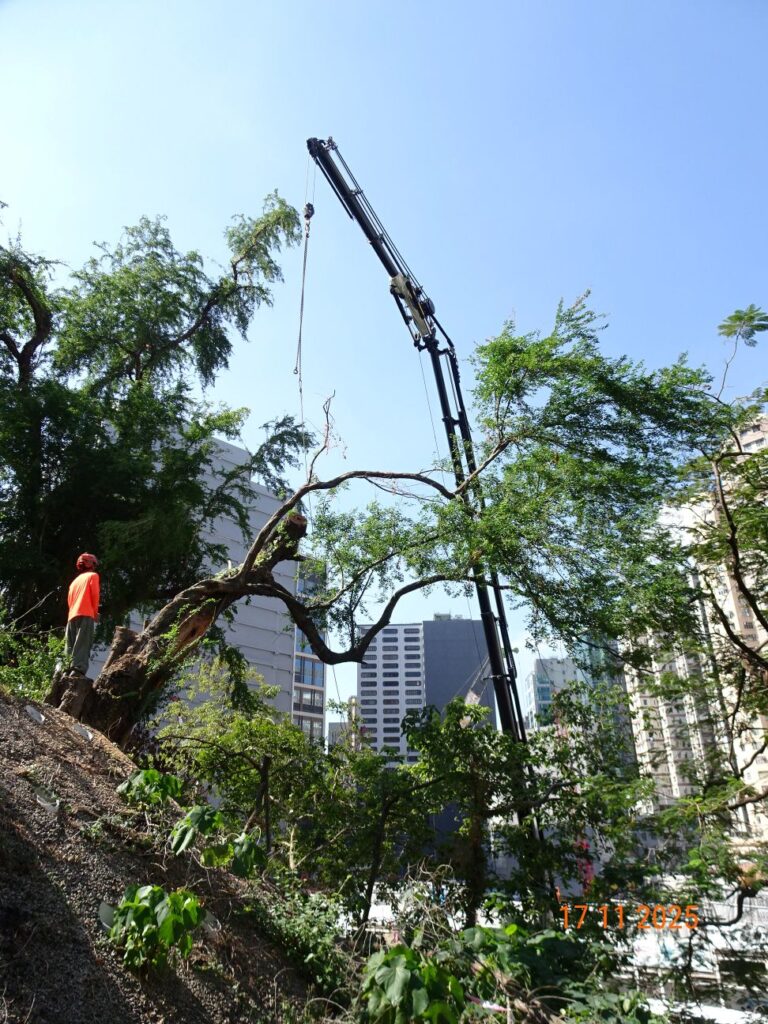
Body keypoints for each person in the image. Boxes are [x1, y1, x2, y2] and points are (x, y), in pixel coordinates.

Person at [64, 552, 100, 678]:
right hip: (86, 613)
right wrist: (95, 613)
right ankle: (78, 670)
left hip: (71, 616)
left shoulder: (74, 582)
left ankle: (67, 670)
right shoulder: (93, 576)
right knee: (82, 643)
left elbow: (69, 600)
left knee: (70, 645)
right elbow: (95, 595)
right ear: (92, 565)